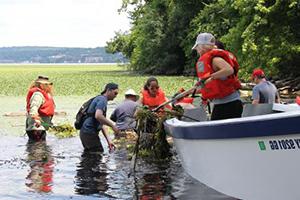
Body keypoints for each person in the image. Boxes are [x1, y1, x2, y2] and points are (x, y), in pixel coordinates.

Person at [192, 32, 243, 120]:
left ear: (202, 47)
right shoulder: (208, 60)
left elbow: (229, 70)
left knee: (217, 131)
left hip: (230, 104)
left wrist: (210, 77)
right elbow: (211, 85)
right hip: (221, 104)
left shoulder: (215, 59)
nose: (197, 50)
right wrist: (190, 92)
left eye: (197, 47)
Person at [80, 83, 120, 152]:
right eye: (115, 93)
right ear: (108, 90)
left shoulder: (100, 99)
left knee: (91, 155)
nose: (116, 96)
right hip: (89, 132)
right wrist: (112, 126)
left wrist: (109, 141)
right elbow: (98, 116)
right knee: (97, 154)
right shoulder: (102, 100)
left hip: (86, 132)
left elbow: (101, 123)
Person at [26, 76, 55, 142]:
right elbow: (33, 107)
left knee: (41, 147)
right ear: (41, 85)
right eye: (47, 84)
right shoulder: (38, 95)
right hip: (36, 127)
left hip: (42, 127)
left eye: (50, 84)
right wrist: (36, 119)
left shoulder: (46, 94)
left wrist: (49, 123)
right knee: (38, 148)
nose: (50, 86)